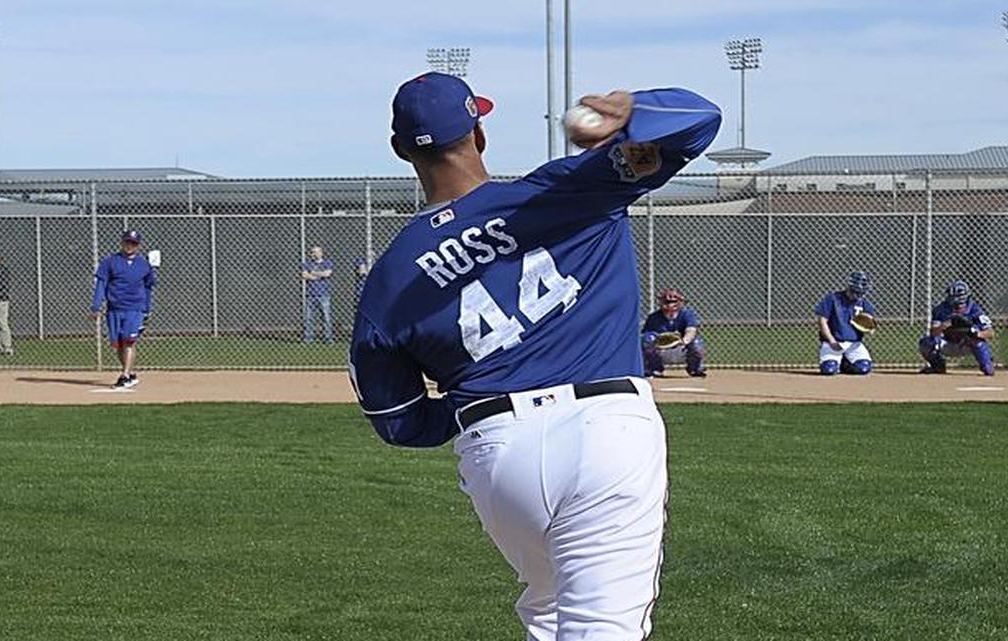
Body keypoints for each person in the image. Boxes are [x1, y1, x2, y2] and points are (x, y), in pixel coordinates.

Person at [349, 72, 721, 640]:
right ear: (479, 134)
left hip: (499, 456)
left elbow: (398, 422)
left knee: (549, 615)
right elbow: (699, 120)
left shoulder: (388, 282)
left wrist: (480, 401)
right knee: (603, 628)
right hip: (605, 433)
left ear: (401, 151)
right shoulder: (563, 189)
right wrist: (635, 112)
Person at [91, 230, 156, 389]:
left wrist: (147, 308)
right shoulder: (110, 261)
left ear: (138, 246)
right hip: (114, 308)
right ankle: (130, 372)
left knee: (129, 340)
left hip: (135, 307)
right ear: (122, 242)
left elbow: (148, 287)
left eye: (133, 243)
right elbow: (101, 283)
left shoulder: (144, 265)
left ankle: (125, 376)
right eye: (127, 242)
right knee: (119, 343)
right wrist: (96, 306)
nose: (129, 246)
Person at [918, 280, 995, 375]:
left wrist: (975, 332)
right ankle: (938, 367)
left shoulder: (975, 310)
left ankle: (986, 366)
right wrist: (944, 325)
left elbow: (990, 332)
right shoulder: (941, 309)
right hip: (947, 342)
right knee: (926, 343)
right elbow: (933, 332)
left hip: (966, 344)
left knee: (979, 342)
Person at [814, 271, 876, 375]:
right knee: (829, 370)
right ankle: (836, 361)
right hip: (833, 342)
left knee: (864, 368)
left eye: (859, 293)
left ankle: (845, 363)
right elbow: (822, 321)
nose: (856, 296)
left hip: (854, 344)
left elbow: (869, 322)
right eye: (854, 292)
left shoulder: (864, 304)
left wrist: (870, 328)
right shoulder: (832, 299)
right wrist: (832, 340)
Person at [641, 287, 706, 377]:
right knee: (647, 339)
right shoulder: (654, 317)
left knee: (697, 342)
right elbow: (646, 336)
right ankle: (654, 369)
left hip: (682, 349)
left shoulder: (687, 314)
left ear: (680, 302)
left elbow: (691, 330)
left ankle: (694, 369)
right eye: (667, 302)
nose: (670, 304)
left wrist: (683, 341)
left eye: (673, 302)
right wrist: (659, 341)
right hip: (661, 351)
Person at [301, 246, 334, 343]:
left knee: (326, 317)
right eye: (312, 252)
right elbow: (305, 275)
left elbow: (327, 274)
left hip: (324, 294)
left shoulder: (327, 263)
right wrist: (319, 275)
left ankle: (328, 338)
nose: (314, 254)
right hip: (310, 294)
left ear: (321, 253)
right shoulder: (307, 264)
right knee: (308, 318)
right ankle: (308, 338)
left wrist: (313, 273)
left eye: (316, 252)